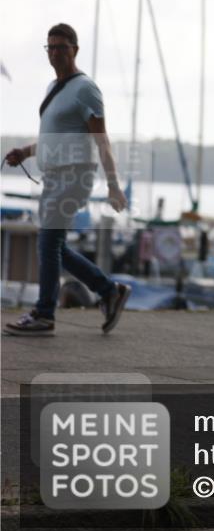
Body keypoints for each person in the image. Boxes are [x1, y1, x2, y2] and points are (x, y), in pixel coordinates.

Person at [4, 23, 131, 336]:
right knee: (54, 246)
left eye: (61, 46)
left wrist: (113, 185)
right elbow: (53, 140)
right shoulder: (52, 88)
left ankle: (45, 314)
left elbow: (102, 140)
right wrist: (26, 151)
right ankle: (108, 290)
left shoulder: (86, 89)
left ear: (75, 49)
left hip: (75, 175)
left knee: (48, 242)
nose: (55, 53)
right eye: (50, 47)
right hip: (52, 177)